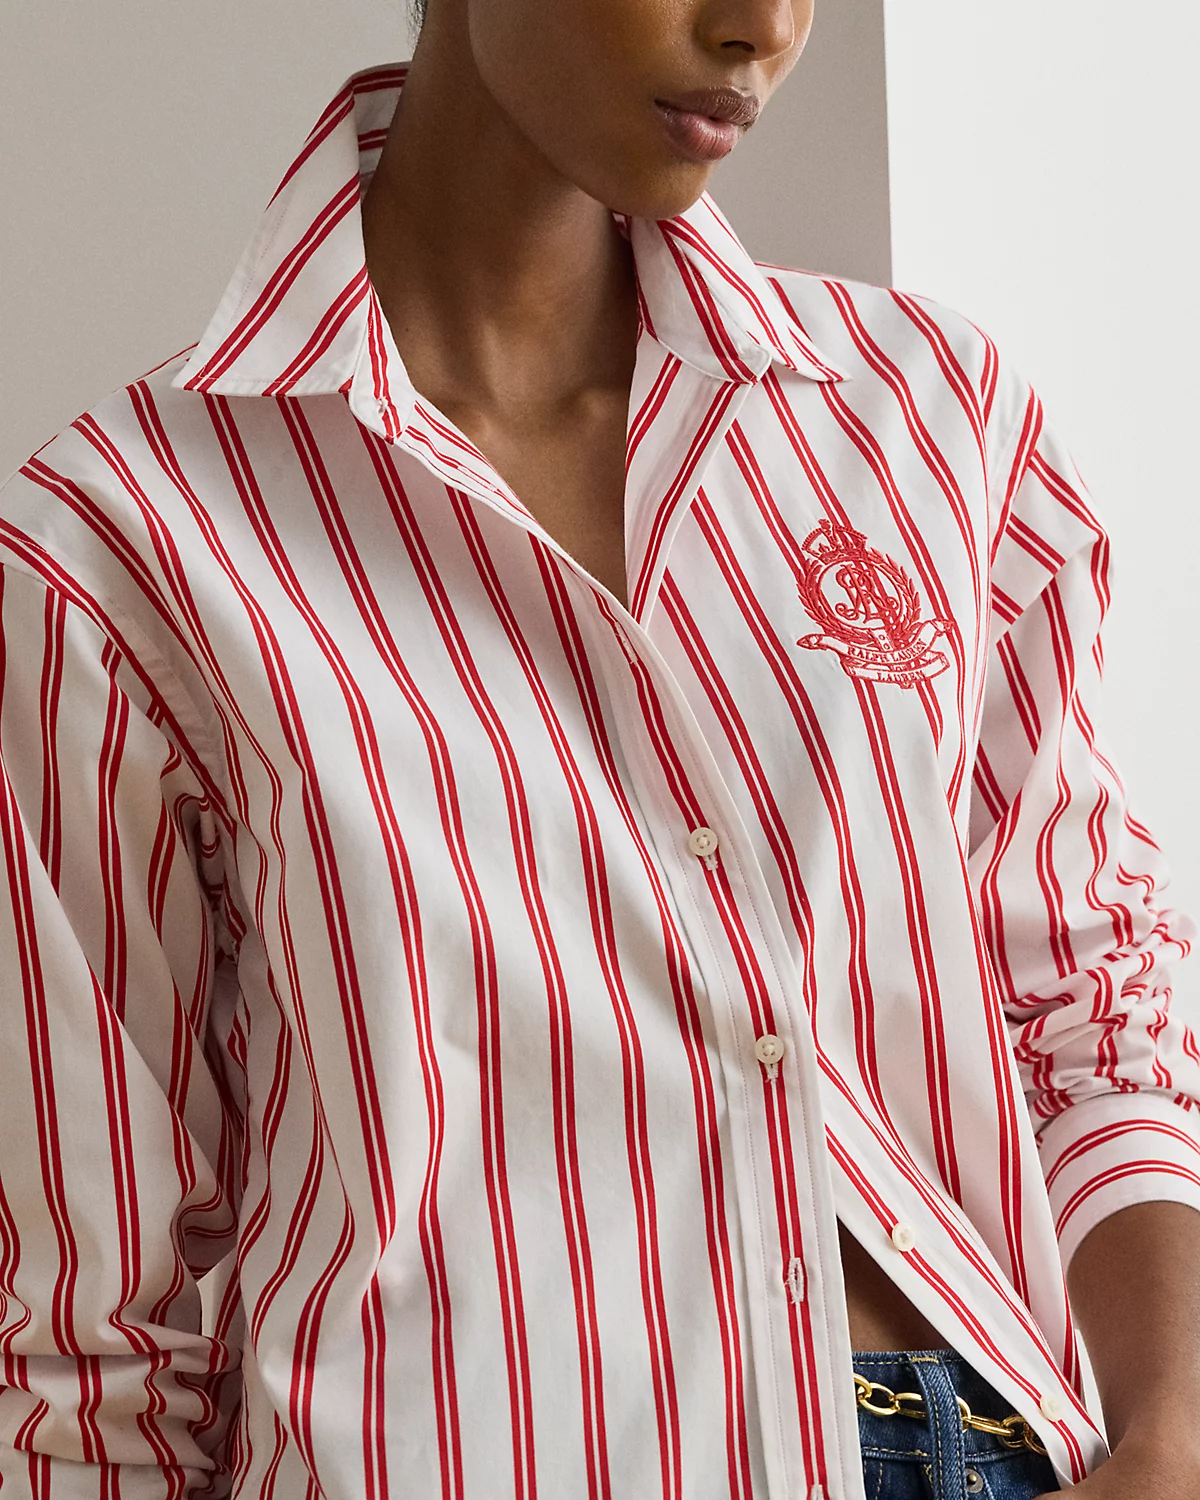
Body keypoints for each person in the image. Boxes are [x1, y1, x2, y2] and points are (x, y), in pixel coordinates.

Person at [1, 0, 1198, 1496]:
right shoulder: (123, 539)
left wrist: (1174, 1436)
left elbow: (1089, 995)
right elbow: (84, 1331)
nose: (764, 28)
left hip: (988, 1445)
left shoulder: (923, 419)